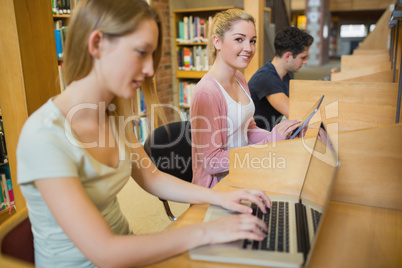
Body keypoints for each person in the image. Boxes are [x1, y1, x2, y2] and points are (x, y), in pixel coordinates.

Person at [16, 1, 274, 267]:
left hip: (130, 251)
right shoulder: (44, 137)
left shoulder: (113, 117)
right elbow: (106, 252)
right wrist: (206, 232)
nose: (150, 69)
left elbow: (152, 178)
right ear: (96, 45)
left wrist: (218, 196)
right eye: (141, 52)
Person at [190, 9, 301, 189]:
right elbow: (212, 162)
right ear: (217, 42)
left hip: (243, 173)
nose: (249, 48)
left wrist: (282, 136)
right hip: (218, 188)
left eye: (253, 41)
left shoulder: (240, 79)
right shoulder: (207, 92)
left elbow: (248, 129)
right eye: (239, 39)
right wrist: (268, 144)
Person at [248, 26, 314, 131]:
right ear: (288, 56)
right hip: (257, 141)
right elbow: (295, 114)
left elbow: (298, 102)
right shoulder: (266, 77)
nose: (305, 61)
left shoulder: (285, 75)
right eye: (303, 57)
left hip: (269, 135)